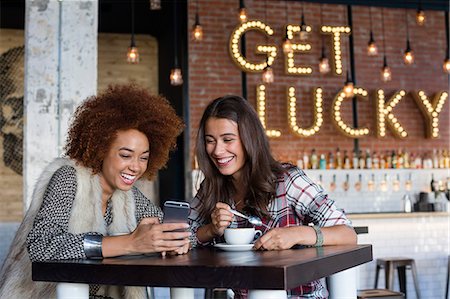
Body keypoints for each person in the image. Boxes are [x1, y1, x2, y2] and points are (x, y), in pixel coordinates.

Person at [0, 84, 188, 299]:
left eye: (143, 157)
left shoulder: (128, 195)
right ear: (101, 149)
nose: (136, 167)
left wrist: (175, 240)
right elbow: (41, 245)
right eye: (125, 155)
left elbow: (173, 227)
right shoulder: (69, 179)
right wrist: (129, 243)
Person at [188, 95, 357, 298]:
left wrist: (295, 234)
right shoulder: (212, 188)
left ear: (249, 138)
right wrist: (211, 230)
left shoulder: (287, 181)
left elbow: (348, 233)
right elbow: (180, 238)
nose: (217, 150)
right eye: (210, 141)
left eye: (228, 139)